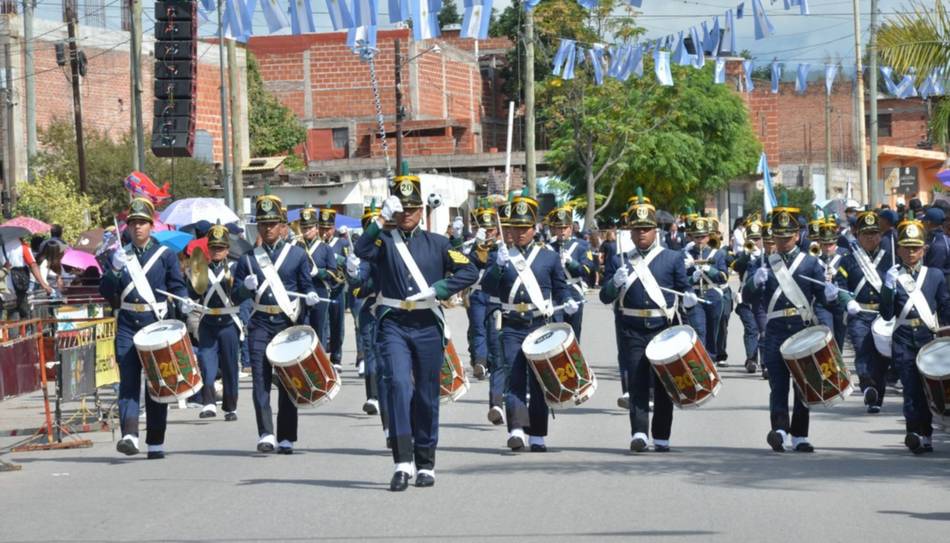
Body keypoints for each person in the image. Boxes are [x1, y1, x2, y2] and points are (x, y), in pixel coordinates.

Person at [354, 171, 478, 491]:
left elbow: (469, 270)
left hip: (426, 325)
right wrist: (379, 220)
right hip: (393, 323)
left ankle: (425, 462)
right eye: (401, 208)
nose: (406, 214)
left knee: (425, 394)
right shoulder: (383, 242)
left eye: (412, 208)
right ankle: (401, 462)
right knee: (397, 385)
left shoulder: (438, 244)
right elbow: (360, 250)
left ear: (420, 211)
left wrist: (439, 288)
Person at [481, 191, 578, 454]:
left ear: (534, 228)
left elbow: (560, 288)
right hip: (512, 324)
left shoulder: (548, 257)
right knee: (514, 376)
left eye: (525, 227)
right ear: (509, 229)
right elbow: (487, 288)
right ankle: (515, 429)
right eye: (515, 227)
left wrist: (568, 300)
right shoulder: (500, 255)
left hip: (540, 324)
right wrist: (498, 267)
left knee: (539, 381)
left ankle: (537, 434)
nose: (520, 232)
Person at [599, 191, 695, 452]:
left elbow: (684, 290)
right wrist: (614, 283)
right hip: (631, 329)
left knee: (664, 385)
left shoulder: (672, 258)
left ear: (656, 231)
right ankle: (639, 432)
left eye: (646, 229)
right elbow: (605, 296)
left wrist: (689, 301)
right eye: (637, 229)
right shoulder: (621, 259)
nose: (642, 233)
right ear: (630, 233)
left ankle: (661, 436)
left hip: (662, 328)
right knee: (638, 382)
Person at [99, 197, 191, 459]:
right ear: (127, 227)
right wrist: (113, 270)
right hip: (128, 323)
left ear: (151, 226)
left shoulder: (165, 255)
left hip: (155, 323)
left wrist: (183, 301)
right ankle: (129, 434)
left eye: (142, 223)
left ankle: (155, 441)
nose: (137, 227)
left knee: (156, 384)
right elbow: (106, 292)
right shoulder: (119, 255)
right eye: (133, 223)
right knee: (128, 382)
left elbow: (177, 285)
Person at [744, 203, 838, 453]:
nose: (783, 241)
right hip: (775, 329)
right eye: (778, 236)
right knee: (778, 384)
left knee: (802, 384)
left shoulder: (810, 263)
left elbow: (823, 297)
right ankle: (779, 430)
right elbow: (746, 296)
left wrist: (831, 296)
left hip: (801, 328)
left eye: (787, 236)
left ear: (797, 235)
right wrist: (754, 282)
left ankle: (800, 435)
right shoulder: (765, 264)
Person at [232, 193, 321, 455]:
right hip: (260, 322)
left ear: (283, 225)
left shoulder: (297, 255)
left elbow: (306, 288)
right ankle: (266, 433)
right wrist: (244, 289)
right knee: (260, 380)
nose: (268, 228)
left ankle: (286, 436)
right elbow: (236, 294)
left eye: (272, 223)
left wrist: (311, 299)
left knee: (287, 382)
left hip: (286, 323)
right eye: (263, 224)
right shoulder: (248, 259)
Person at [879, 214, 950, 454]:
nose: (911, 253)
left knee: (927, 390)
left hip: (927, 338)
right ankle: (914, 433)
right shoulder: (892, 276)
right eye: (906, 248)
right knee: (910, 389)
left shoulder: (935, 276)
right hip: (902, 337)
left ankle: (927, 434)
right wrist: (888, 289)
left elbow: (945, 308)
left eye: (916, 248)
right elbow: (887, 314)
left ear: (924, 249)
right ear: (898, 249)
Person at [835, 209, 891, 414]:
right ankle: (867, 386)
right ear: (858, 235)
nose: (871, 237)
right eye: (866, 234)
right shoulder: (849, 259)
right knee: (863, 351)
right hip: (860, 313)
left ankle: (877, 397)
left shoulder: (889, 258)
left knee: (882, 358)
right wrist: (848, 301)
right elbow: (840, 285)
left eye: (874, 233)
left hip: (884, 315)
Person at [189, 222, 242, 421]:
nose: (217, 251)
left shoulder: (236, 267)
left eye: (221, 247)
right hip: (208, 322)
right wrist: (188, 299)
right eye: (213, 247)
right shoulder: (201, 268)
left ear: (227, 249)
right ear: (208, 249)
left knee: (229, 366)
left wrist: (241, 285)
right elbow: (193, 291)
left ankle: (230, 407)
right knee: (206, 363)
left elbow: (241, 295)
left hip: (229, 322)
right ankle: (209, 402)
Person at [683, 213, 727, 365]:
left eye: (702, 236)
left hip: (713, 294)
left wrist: (710, 270)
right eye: (696, 236)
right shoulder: (686, 254)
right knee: (699, 329)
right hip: (695, 296)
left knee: (713, 330)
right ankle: (702, 361)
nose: (699, 240)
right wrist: (691, 277)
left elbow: (724, 277)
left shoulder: (718, 254)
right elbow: (680, 280)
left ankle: (712, 358)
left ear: (708, 236)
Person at [545, 203, 593, 339]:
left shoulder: (581, 246)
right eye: (559, 228)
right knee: (556, 335)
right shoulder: (547, 248)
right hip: (554, 295)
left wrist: (572, 263)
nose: (562, 231)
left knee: (573, 335)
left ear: (571, 228)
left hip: (574, 292)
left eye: (565, 227)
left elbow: (587, 270)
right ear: (554, 229)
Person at [295, 204, 338, 350]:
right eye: (304, 228)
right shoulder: (296, 247)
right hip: (301, 291)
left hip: (320, 290)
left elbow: (334, 273)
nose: (306, 231)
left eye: (309, 228)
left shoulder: (326, 249)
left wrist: (318, 272)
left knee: (318, 328)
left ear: (316, 228)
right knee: (301, 328)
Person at [732, 216, 765, 373]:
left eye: (758, 239)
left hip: (762, 300)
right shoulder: (744, 256)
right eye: (752, 239)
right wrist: (747, 255)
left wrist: (760, 257)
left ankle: (765, 363)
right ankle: (751, 359)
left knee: (764, 330)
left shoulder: (767, 256)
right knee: (751, 329)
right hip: (745, 299)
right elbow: (736, 266)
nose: (755, 242)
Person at [320, 206, 350, 371]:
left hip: (337, 288)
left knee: (337, 324)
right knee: (322, 324)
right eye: (322, 228)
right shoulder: (316, 245)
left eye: (328, 228)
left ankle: (336, 357)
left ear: (334, 228)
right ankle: (322, 356)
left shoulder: (342, 243)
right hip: (322, 288)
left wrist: (339, 259)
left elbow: (350, 264)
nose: (325, 232)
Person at [815, 219, 848, 351]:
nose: (828, 247)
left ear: (836, 243)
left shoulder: (844, 256)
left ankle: (838, 366)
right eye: (825, 244)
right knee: (828, 335)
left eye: (831, 244)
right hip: (822, 303)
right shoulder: (814, 259)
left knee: (840, 337)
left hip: (839, 302)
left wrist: (837, 274)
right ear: (820, 244)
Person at [922, 207, 950, 278]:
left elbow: (934, 272)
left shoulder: (938, 243)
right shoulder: (941, 237)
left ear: (928, 223)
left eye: (923, 222)